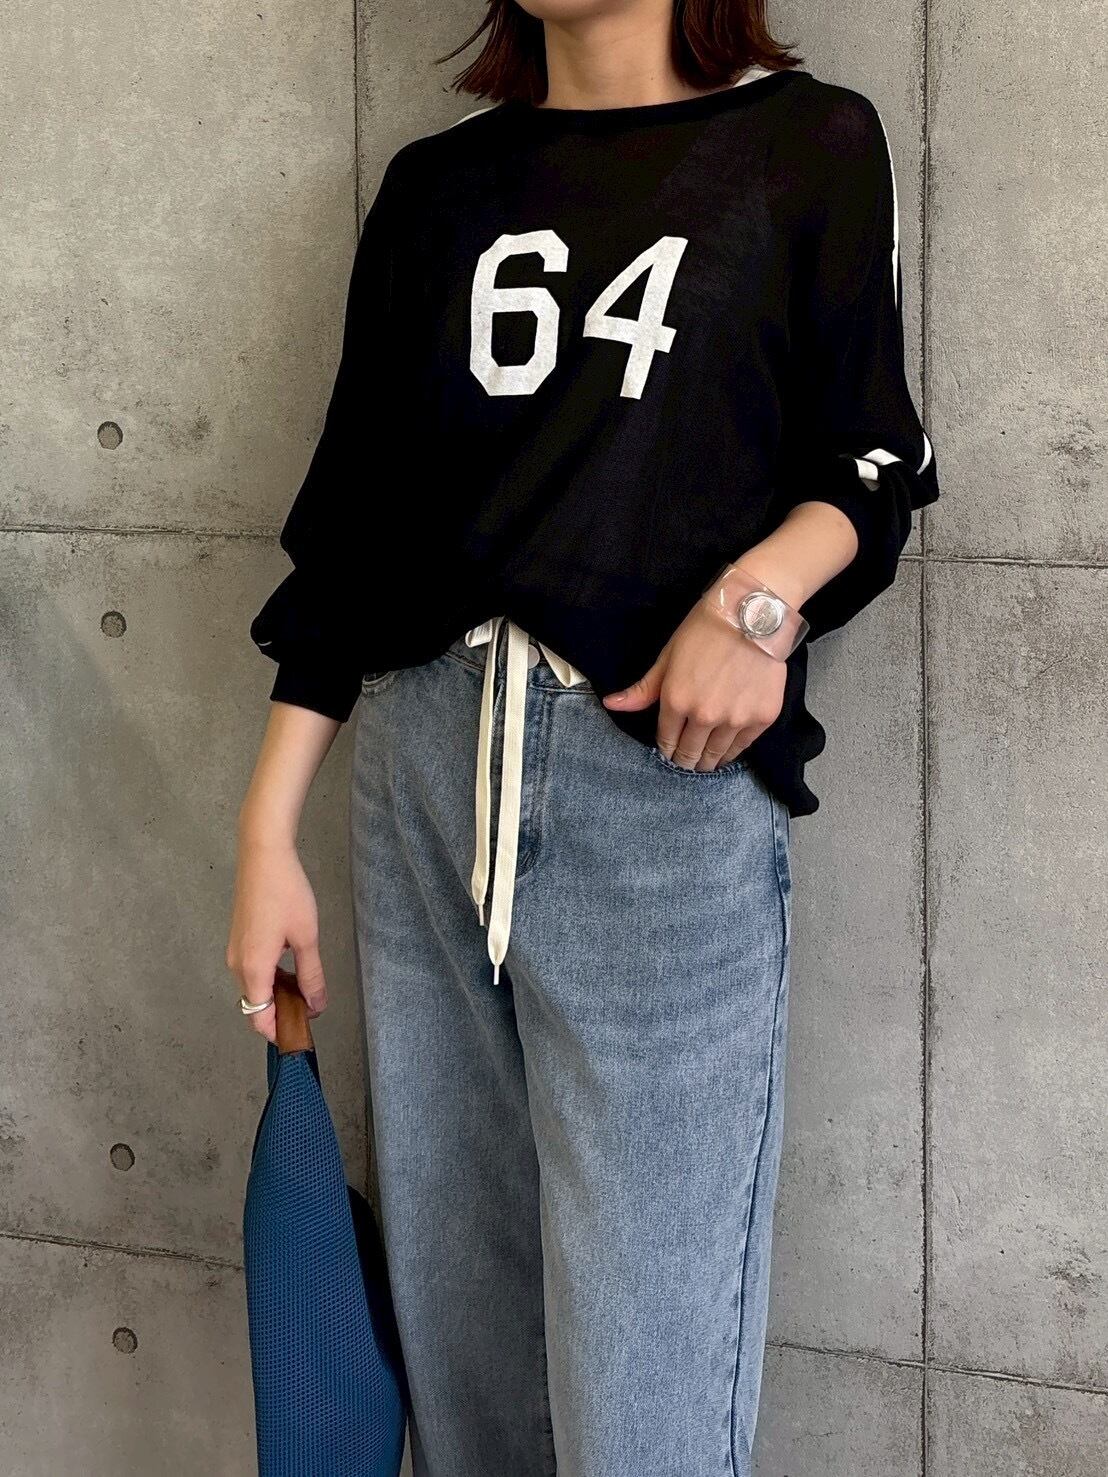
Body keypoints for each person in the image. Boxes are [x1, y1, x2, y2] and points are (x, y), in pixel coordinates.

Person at [227, 0, 940, 1471]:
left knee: (646, 1395)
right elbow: (354, 535)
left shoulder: (806, 143)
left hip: (657, 798)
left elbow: (873, 460)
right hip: (421, 785)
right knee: (466, 1365)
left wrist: (755, 607)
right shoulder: (436, 187)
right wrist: (265, 831)